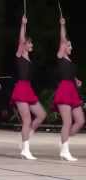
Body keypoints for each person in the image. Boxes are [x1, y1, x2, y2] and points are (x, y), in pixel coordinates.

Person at [10, 15, 46, 160]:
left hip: (28, 89)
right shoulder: (19, 55)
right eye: (30, 43)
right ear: (25, 44)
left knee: (42, 115)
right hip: (21, 88)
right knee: (26, 120)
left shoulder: (29, 58)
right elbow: (20, 40)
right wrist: (23, 25)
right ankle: (25, 149)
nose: (32, 45)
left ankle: (26, 137)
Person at [53, 17, 85, 161]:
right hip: (64, 90)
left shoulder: (70, 61)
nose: (71, 47)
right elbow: (62, 39)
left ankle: (63, 140)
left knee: (80, 121)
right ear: (64, 47)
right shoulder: (61, 56)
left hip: (72, 90)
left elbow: (69, 74)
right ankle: (65, 150)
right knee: (67, 122)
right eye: (69, 45)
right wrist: (63, 25)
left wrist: (76, 80)